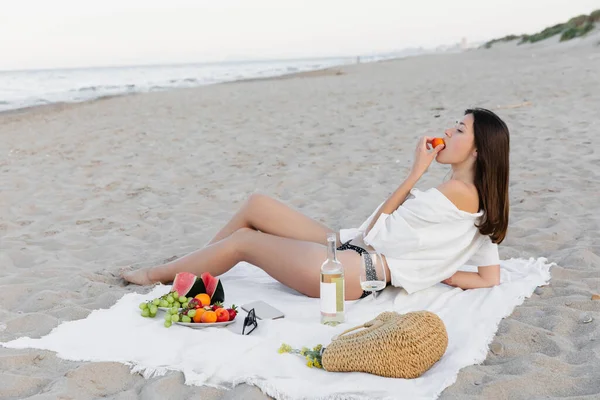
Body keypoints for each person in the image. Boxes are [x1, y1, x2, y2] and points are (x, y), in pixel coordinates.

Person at [122, 108, 509, 300]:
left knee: (245, 241)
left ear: (476, 150)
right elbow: (488, 278)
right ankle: (198, 267)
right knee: (257, 205)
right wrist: (437, 271)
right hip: (352, 249)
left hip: (354, 271)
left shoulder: (449, 194)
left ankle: (158, 274)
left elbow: (378, 231)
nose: (447, 130)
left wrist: (414, 174)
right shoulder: (484, 204)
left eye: (458, 130)